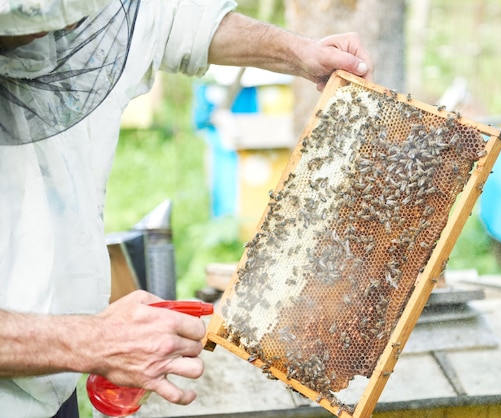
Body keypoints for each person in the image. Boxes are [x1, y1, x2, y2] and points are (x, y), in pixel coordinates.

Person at [0, 0, 374, 416]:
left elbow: (168, 18)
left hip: (53, 386)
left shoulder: (96, 14)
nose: (49, 41)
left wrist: (300, 52)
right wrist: (92, 341)